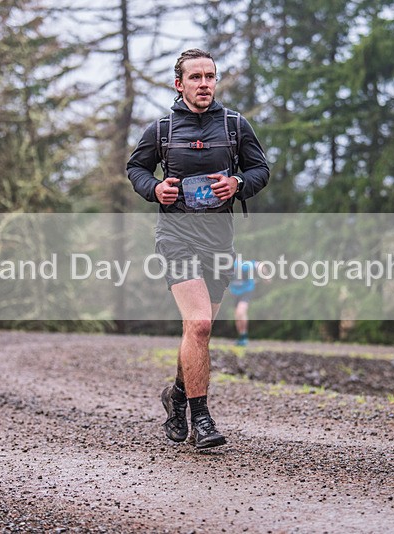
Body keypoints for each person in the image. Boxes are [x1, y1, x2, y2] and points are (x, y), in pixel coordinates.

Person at [126, 49, 270, 449]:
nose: (205, 83)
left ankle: (176, 395)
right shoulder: (162, 129)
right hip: (176, 236)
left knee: (198, 332)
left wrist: (239, 184)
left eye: (210, 76)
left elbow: (260, 170)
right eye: (196, 77)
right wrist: (153, 188)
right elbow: (136, 169)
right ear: (180, 84)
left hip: (219, 239)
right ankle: (201, 418)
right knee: (200, 324)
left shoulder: (235, 125)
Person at [230, 259, 260, 346]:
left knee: (241, 311)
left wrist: (266, 276)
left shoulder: (243, 266)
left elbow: (258, 264)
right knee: (237, 316)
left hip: (246, 291)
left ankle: (244, 337)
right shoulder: (223, 269)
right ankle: (241, 336)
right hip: (236, 293)